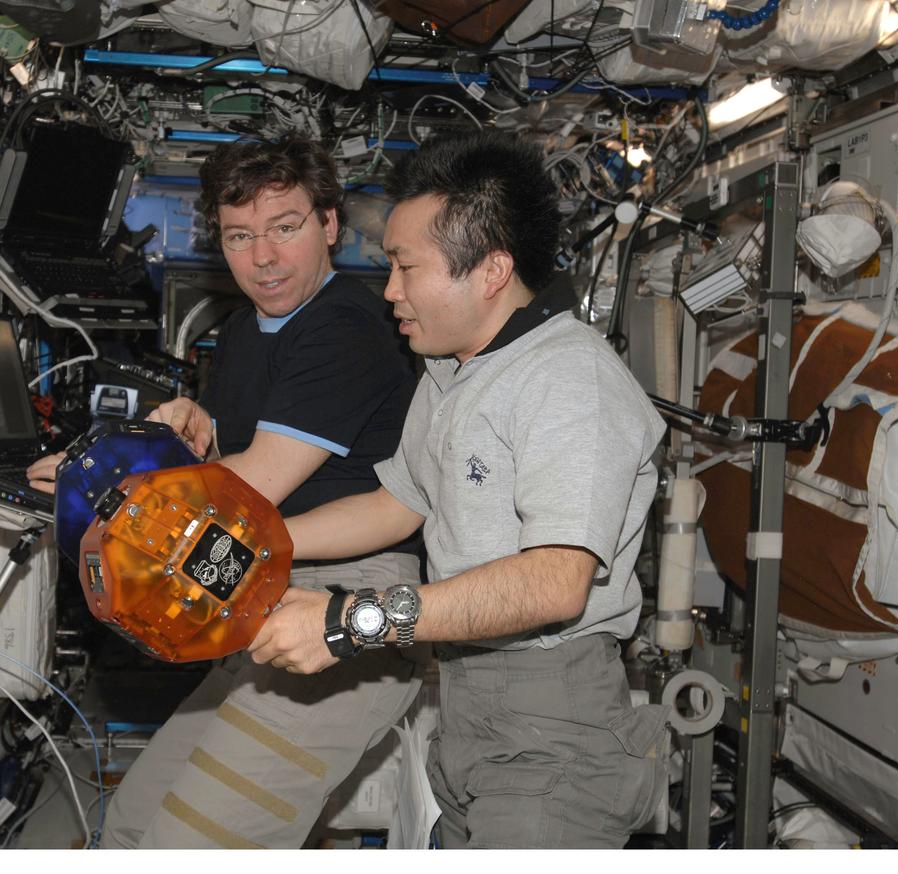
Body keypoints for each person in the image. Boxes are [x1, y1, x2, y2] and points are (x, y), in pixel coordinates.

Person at [249, 132, 670, 849]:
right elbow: (397, 505)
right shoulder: (452, 372)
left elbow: (554, 583)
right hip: (471, 704)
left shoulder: (569, 379)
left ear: (491, 271)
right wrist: (260, 540)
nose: (390, 292)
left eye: (407, 268)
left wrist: (352, 622)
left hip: (553, 728)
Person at [27, 134, 424, 848]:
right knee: (130, 829)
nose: (263, 257)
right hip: (259, 604)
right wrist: (192, 423)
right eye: (240, 237)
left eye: (285, 228)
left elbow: (258, 483)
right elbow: (228, 449)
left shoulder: (344, 328)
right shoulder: (247, 329)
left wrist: (103, 477)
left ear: (329, 225)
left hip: (341, 609)